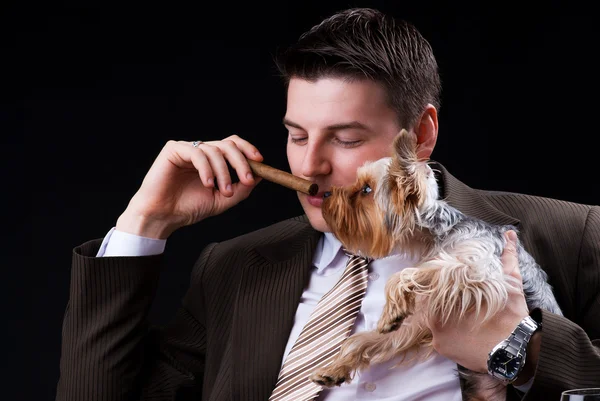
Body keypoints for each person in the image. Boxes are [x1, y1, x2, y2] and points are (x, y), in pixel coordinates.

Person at [55, 7, 600, 401]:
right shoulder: (232, 267)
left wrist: (522, 351)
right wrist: (142, 225)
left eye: (345, 139)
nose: (310, 166)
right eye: (296, 135)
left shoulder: (570, 237)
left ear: (422, 135)